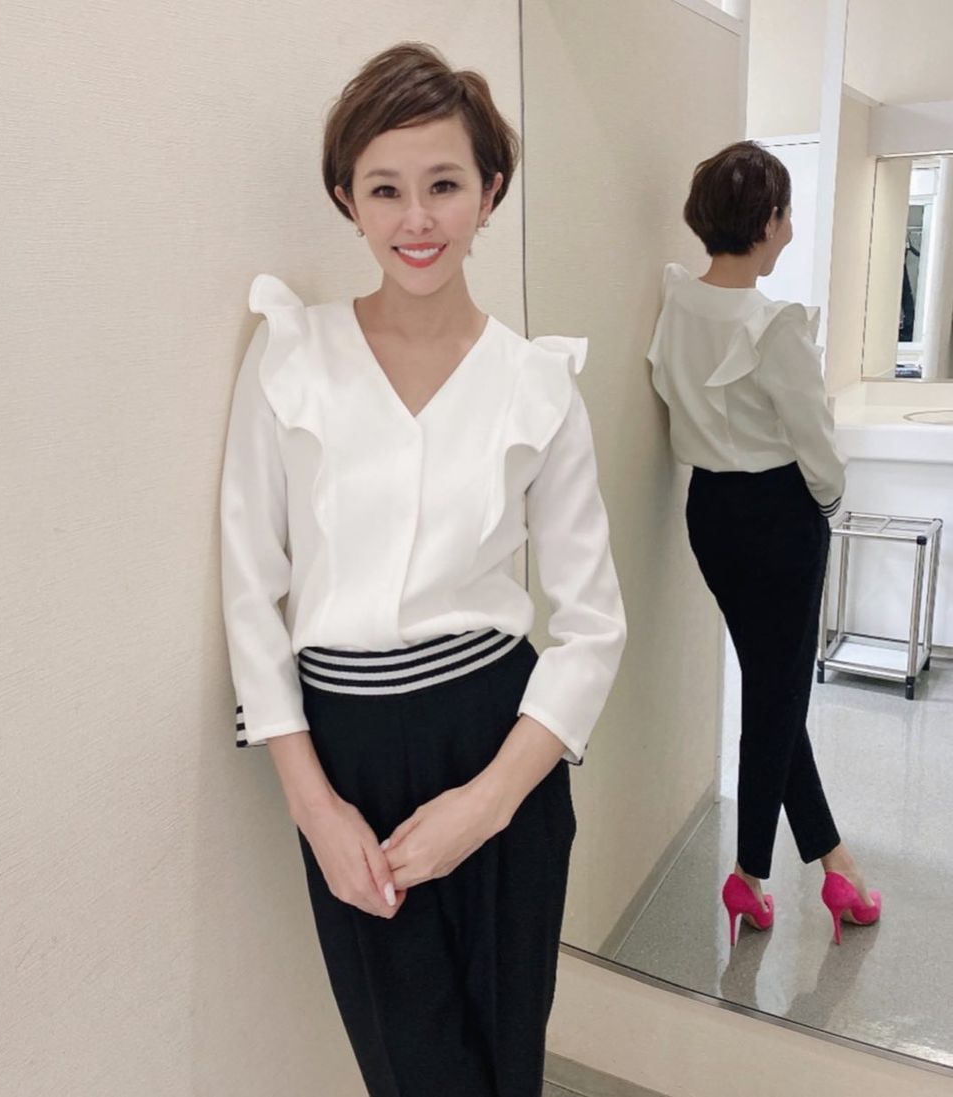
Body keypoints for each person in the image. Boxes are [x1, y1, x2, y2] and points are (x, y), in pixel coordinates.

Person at [220, 42, 626, 1097]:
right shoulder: (291, 357)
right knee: (412, 1072)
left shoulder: (538, 385)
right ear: (345, 199)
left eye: (444, 184)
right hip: (345, 758)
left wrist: (486, 805)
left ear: (490, 192)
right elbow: (250, 594)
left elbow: (592, 627)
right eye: (385, 188)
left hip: (500, 748)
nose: (417, 219)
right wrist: (314, 807)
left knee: (506, 1067)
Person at [646, 140, 881, 947]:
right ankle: (749, 875)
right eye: (786, 215)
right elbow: (817, 442)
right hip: (778, 515)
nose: (789, 230)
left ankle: (836, 863)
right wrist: (828, 503)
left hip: (708, 512)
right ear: (768, 220)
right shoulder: (772, 323)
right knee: (776, 698)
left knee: (773, 691)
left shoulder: (678, 298)